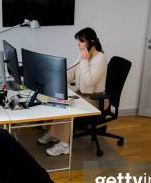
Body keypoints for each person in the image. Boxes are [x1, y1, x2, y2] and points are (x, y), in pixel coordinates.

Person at [39, 27, 108, 156]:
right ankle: (53, 134)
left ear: (91, 42)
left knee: (66, 107)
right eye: (78, 41)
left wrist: (85, 60)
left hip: (95, 99)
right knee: (56, 100)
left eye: (81, 41)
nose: (78, 44)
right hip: (82, 95)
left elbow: (89, 81)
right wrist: (56, 78)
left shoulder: (100, 58)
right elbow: (71, 72)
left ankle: (64, 145)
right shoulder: (82, 54)